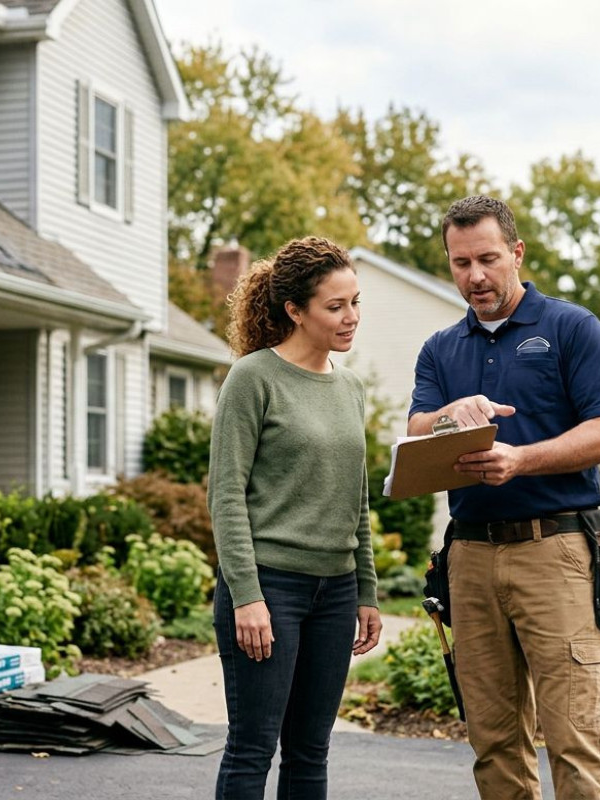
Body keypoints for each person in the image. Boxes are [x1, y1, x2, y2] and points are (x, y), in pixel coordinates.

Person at [408, 196, 600, 800]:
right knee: (494, 743)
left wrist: (520, 460)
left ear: (516, 252)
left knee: (575, 737)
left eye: (486, 259)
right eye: (460, 264)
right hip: (471, 559)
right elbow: (415, 429)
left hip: (554, 551)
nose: (474, 276)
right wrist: (447, 415)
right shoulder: (440, 348)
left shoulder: (570, 327)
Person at [208, 236, 383, 799]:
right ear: (294, 311)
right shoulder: (253, 378)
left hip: (334, 593)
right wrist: (247, 596)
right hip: (269, 588)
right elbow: (226, 495)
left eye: (355, 302)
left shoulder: (350, 389)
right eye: (335, 306)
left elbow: (354, 499)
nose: (351, 317)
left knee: (311, 752)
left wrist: (366, 590)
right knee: (252, 748)